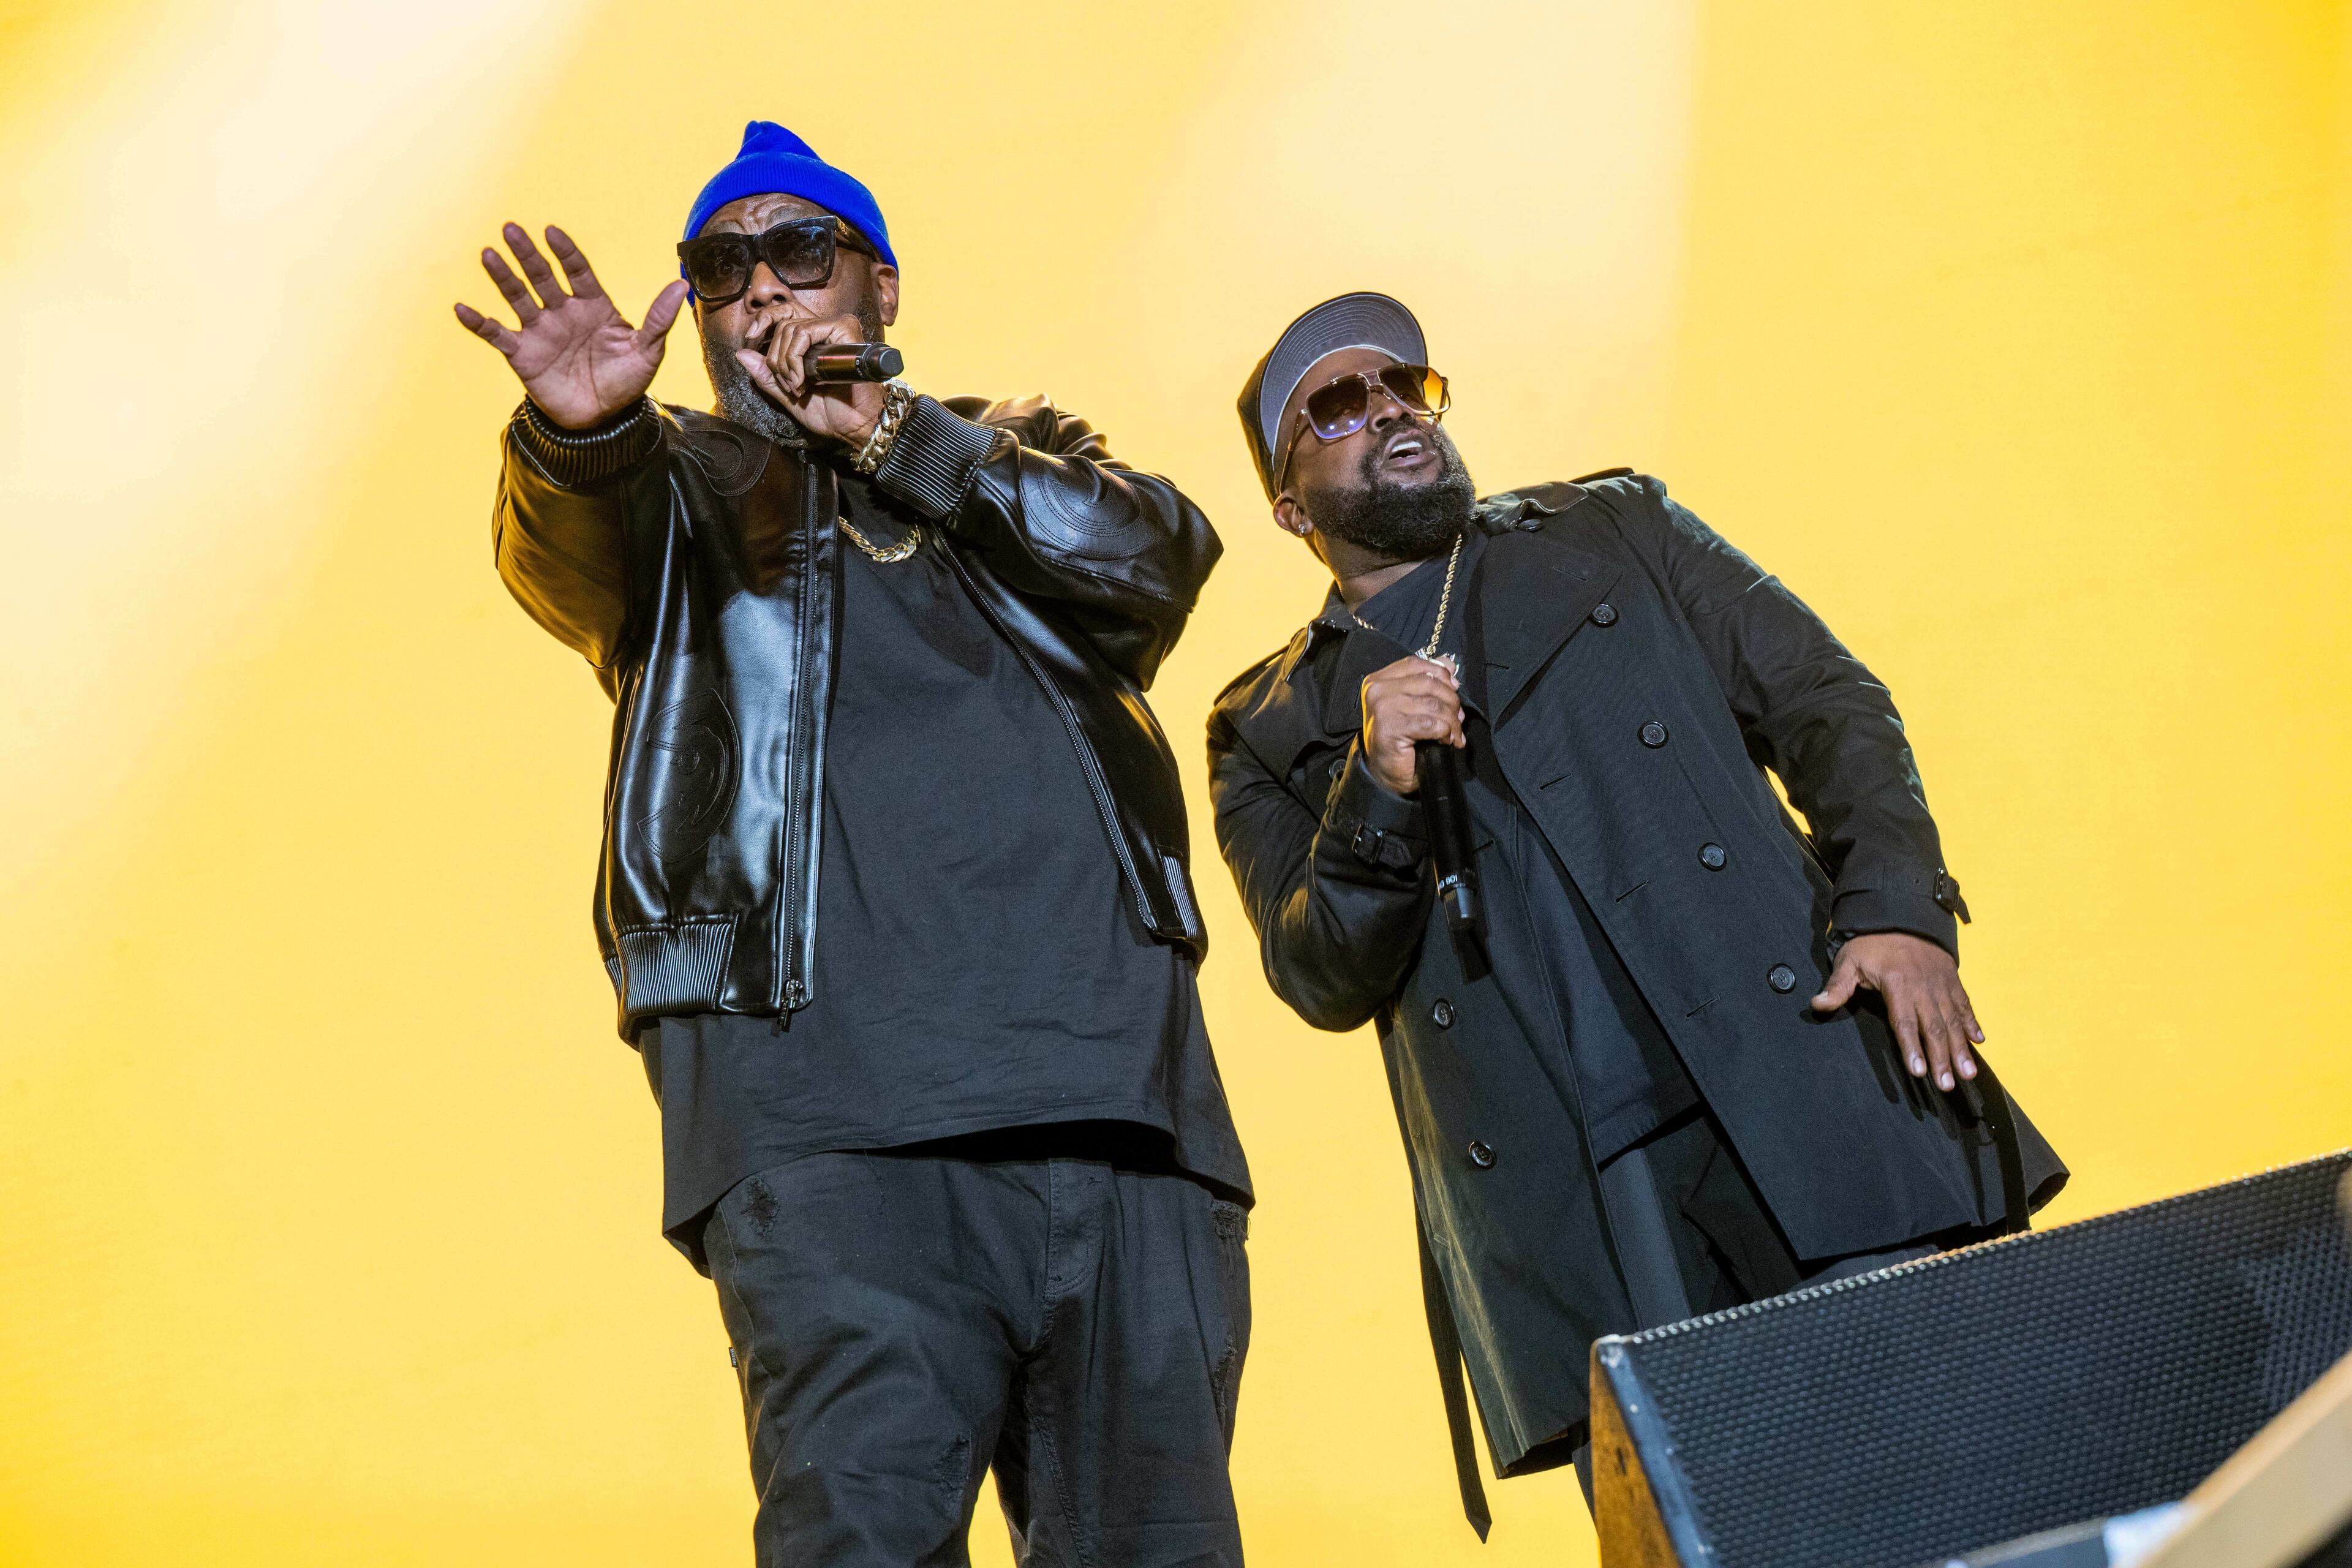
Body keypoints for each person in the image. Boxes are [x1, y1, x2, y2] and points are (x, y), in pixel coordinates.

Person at [455, 121, 1253, 1567]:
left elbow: (1152, 567)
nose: (759, 290)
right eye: (719, 268)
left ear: (876, 285)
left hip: (1123, 1118)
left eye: (796, 251)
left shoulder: (1009, 458)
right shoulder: (677, 490)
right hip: (832, 1133)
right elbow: (569, 558)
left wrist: (898, 437)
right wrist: (579, 437)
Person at [1205, 292, 2065, 1535]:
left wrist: (1901, 916)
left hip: (1800, 1080)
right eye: (1335, 403)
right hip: (1585, 1195)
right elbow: (1319, 971)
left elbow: (1828, 700)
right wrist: (1373, 790)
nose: (1388, 405)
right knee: (1724, 1523)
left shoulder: (1614, 530)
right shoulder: (1269, 723)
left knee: (1957, 1471)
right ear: (1290, 503)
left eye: (1405, 381)